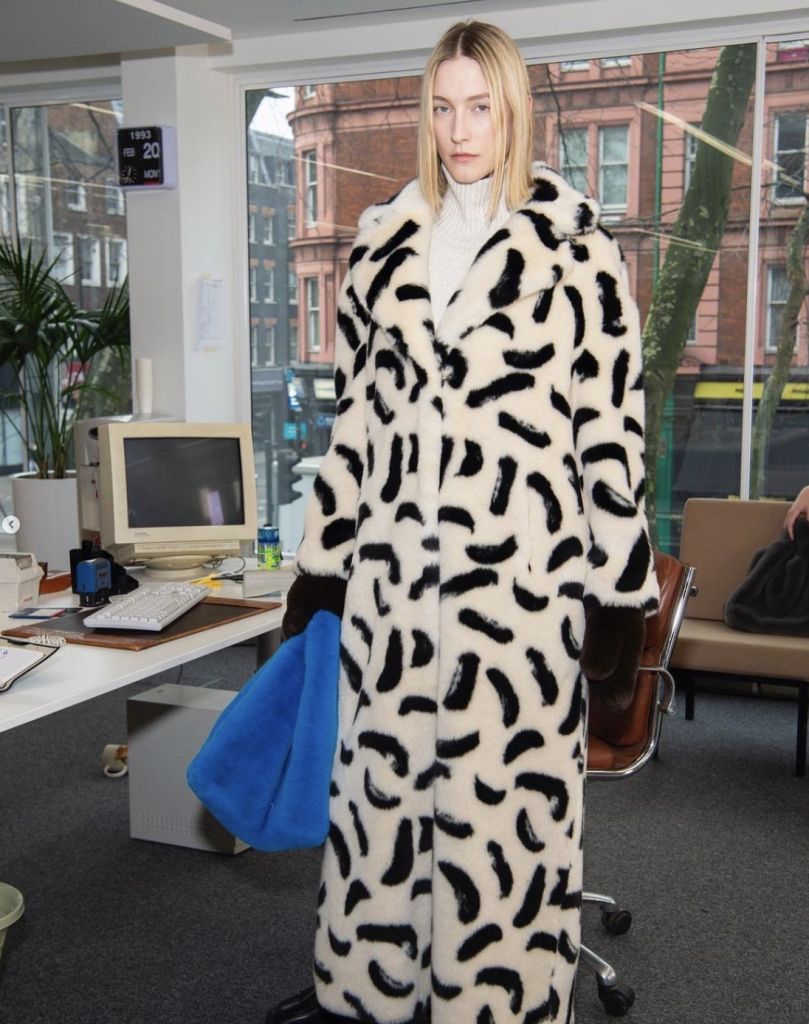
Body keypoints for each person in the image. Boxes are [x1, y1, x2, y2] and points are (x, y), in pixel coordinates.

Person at [268, 19, 659, 1024]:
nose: (458, 129)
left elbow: (610, 434)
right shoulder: (379, 246)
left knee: (505, 839)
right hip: (392, 599)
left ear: (513, 109)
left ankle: (499, 999)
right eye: (441, 107)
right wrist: (322, 566)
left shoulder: (576, 250)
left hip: (519, 605)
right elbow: (354, 426)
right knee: (379, 821)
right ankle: (367, 992)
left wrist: (618, 592)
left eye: (479, 106)